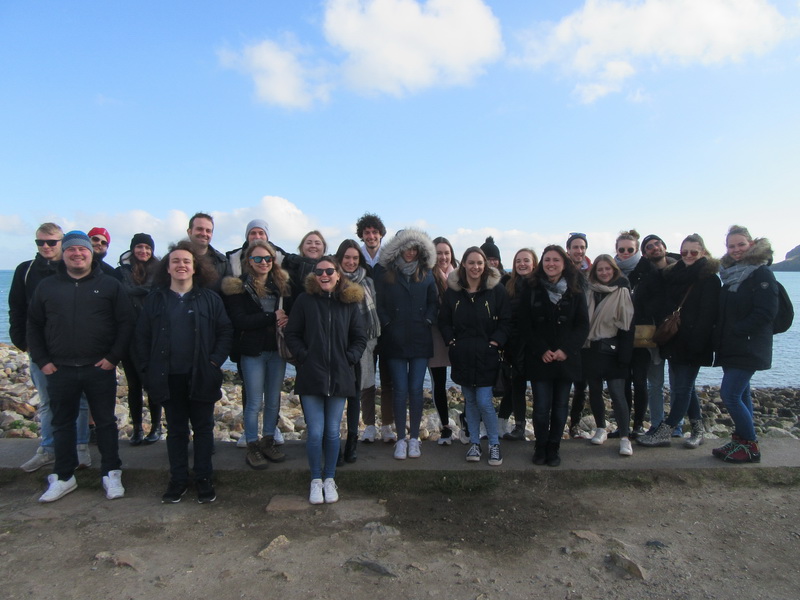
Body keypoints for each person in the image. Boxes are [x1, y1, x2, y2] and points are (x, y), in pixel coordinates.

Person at [27, 231, 135, 502]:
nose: (77, 253)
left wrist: (113, 358)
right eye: (71, 249)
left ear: (90, 253)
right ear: (63, 253)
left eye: (82, 249)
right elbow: (34, 326)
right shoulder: (47, 286)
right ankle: (64, 476)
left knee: (106, 422)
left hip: (99, 367)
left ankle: (111, 472)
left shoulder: (109, 285)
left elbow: (126, 323)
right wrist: (43, 361)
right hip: (60, 368)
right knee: (62, 423)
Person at [136, 241, 233, 503]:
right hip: (168, 377)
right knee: (176, 430)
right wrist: (147, 369)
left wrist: (214, 362)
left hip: (202, 375)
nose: (181, 265)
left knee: (203, 429)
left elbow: (225, 332)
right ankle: (178, 480)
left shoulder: (210, 299)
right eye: (176, 261)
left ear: (195, 267)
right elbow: (142, 337)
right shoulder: (155, 300)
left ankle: (204, 478)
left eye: (186, 261)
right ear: (167, 268)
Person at [285, 256, 367, 504]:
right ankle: (315, 480)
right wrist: (304, 356)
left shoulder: (349, 303)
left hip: (340, 376)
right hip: (311, 374)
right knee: (315, 432)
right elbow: (292, 334)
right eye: (319, 271)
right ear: (314, 276)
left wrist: (348, 358)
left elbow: (359, 337)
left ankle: (329, 478)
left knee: (332, 432)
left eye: (329, 271)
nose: (324, 275)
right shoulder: (304, 301)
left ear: (338, 274)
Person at [11, 224, 92, 472]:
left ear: (62, 242)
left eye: (51, 242)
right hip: (41, 349)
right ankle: (47, 449)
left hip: (75, 350)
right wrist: (24, 343)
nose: (46, 246)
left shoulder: (76, 271)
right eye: (40, 242)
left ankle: (80, 448)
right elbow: (17, 309)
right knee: (47, 401)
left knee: (80, 401)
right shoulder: (26, 271)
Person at [637, 234, 720, 449]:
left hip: (694, 344)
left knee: (682, 388)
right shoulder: (674, 274)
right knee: (687, 388)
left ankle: (667, 429)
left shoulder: (709, 278)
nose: (689, 255)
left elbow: (708, 317)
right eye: (685, 252)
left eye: (694, 252)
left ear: (703, 252)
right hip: (675, 341)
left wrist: (696, 345)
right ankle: (698, 430)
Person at [222, 240, 292, 469]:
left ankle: (268, 440)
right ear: (249, 261)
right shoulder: (238, 288)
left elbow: (289, 314)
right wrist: (271, 317)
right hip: (252, 351)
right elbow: (240, 320)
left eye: (267, 258)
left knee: (273, 400)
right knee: (253, 402)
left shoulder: (281, 286)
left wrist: (286, 319)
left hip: (276, 351)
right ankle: (252, 445)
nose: (263, 262)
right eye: (258, 258)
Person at [712, 226, 779, 463]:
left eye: (741, 244)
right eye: (731, 246)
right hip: (731, 346)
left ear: (751, 244)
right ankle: (741, 441)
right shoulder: (730, 273)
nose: (736, 249)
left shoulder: (761, 273)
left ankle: (751, 446)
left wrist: (738, 330)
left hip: (748, 345)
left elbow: (766, 312)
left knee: (729, 394)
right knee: (742, 394)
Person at [439, 247, 510, 466]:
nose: (475, 267)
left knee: (484, 401)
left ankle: (494, 444)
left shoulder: (496, 290)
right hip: (462, 355)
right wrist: (451, 342)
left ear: (485, 265)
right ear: (464, 264)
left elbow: (506, 321)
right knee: (469, 401)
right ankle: (475, 443)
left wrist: (495, 342)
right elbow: (444, 320)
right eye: (471, 262)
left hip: (487, 355)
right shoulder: (453, 292)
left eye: (480, 263)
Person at [519, 245, 589, 467]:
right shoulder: (531, 288)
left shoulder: (575, 289)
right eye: (547, 259)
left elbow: (582, 325)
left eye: (556, 260)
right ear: (542, 263)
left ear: (564, 263)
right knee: (541, 408)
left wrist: (565, 350)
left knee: (560, 408)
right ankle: (540, 446)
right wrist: (541, 350)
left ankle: (554, 447)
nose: (551, 264)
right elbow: (524, 324)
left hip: (565, 359)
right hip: (540, 359)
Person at [374, 228, 437, 460]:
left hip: (420, 338)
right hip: (395, 339)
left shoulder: (426, 273)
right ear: (398, 248)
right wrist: (387, 323)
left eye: (414, 249)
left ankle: (414, 439)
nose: (410, 252)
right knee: (399, 390)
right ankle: (401, 439)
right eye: (406, 248)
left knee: (416, 390)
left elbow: (434, 302)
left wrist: (427, 319)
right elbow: (379, 303)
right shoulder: (387, 273)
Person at [582, 255, 635, 456]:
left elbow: (627, 326)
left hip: (613, 349)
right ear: (594, 272)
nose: (604, 273)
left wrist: (625, 357)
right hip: (591, 348)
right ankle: (600, 428)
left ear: (614, 270)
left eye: (607, 269)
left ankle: (624, 437)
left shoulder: (622, 291)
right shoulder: (588, 291)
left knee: (617, 394)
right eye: (600, 269)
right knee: (595, 391)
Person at [630, 234, 682, 435]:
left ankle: (676, 426)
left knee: (678, 384)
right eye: (649, 246)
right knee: (655, 383)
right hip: (651, 333)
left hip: (676, 332)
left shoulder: (681, 270)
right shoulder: (644, 274)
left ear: (664, 247)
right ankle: (656, 424)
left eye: (657, 244)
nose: (654, 248)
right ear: (644, 253)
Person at [335, 240, 381, 462]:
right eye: (347, 257)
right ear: (340, 258)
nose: (351, 262)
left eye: (355, 258)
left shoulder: (368, 282)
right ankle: (333, 441)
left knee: (355, 394)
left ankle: (352, 441)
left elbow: (374, 313)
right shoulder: (332, 279)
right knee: (335, 396)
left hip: (362, 344)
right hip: (336, 345)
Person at [116, 233, 162, 446]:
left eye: (148, 248)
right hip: (128, 334)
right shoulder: (121, 272)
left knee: (152, 383)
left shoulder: (160, 273)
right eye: (140, 247)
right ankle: (137, 429)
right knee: (133, 385)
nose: (144, 251)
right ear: (132, 249)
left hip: (152, 335)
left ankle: (156, 427)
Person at [355, 213, 396, 443]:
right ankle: (369, 425)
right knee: (366, 379)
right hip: (365, 328)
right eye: (367, 232)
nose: (371, 236)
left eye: (375, 232)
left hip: (388, 328)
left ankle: (388, 425)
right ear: (362, 235)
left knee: (388, 380)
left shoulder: (389, 259)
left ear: (381, 234)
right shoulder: (356, 257)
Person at [498, 248, 538, 441]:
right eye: (518, 261)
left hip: (536, 345)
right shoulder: (508, 284)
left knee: (539, 388)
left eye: (526, 260)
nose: (522, 264)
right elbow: (504, 315)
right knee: (516, 387)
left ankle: (540, 427)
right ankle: (519, 426)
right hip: (513, 344)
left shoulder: (540, 285)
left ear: (534, 263)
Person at [613, 230, 647, 438]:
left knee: (640, 381)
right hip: (618, 334)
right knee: (622, 381)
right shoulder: (612, 272)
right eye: (621, 249)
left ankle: (639, 425)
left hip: (641, 333)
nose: (625, 253)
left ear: (637, 250)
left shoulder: (646, 270)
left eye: (630, 249)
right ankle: (623, 425)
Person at [429, 236, 458, 444]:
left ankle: (468, 423)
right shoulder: (427, 277)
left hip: (459, 335)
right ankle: (445, 426)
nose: (443, 257)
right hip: (436, 335)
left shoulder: (460, 277)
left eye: (446, 253)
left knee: (465, 380)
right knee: (438, 382)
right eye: (438, 253)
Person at [565, 232, 590, 438]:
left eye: (582, 247)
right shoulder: (561, 271)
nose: (579, 251)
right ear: (568, 250)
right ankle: (556, 424)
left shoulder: (593, 272)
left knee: (582, 385)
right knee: (562, 385)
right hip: (565, 335)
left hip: (587, 336)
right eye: (575, 247)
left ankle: (574, 424)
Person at [186, 212, 228, 283]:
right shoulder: (173, 259)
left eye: (208, 231)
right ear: (189, 232)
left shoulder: (222, 262)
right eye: (199, 229)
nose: (204, 234)